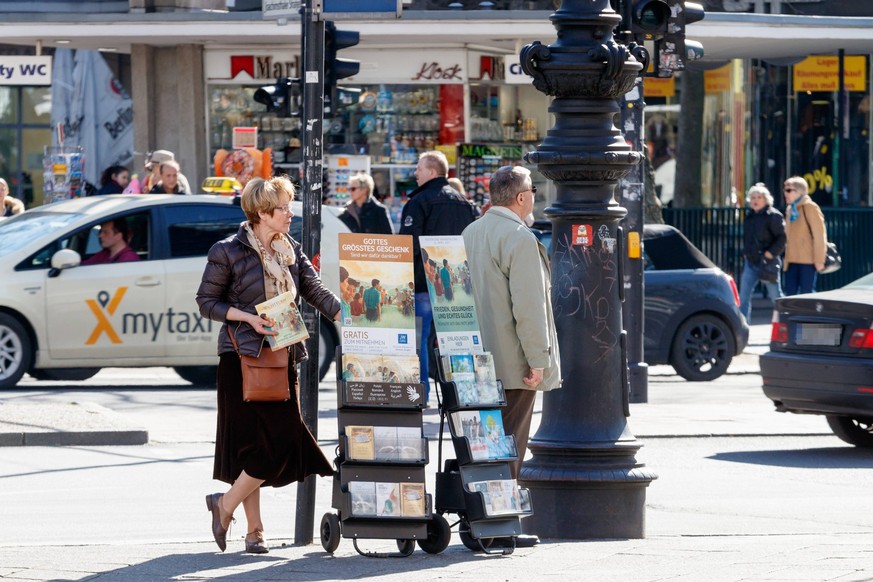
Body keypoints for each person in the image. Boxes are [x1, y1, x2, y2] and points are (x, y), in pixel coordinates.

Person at [196, 176, 341, 555]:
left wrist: (347, 315)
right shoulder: (227, 251)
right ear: (262, 213)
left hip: (282, 355)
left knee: (276, 443)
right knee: (256, 448)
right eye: (283, 208)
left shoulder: (289, 249)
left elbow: (314, 289)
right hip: (241, 359)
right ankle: (249, 526)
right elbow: (206, 302)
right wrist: (247, 318)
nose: (290, 213)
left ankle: (230, 511)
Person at [462, 165, 561, 483]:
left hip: (473, 360)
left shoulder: (470, 233)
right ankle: (502, 523)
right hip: (512, 365)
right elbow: (529, 308)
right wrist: (538, 361)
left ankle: (482, 518)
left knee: (482, 445)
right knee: (510, 444)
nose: (534, 196)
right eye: (532, 191)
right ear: (521, 197)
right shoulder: (520, 239)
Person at [399, 151, 478, 399]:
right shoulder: (465, 203)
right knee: (455, 342)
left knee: (419, 342)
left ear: (432, 172)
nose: (416, 173)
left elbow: (408, 246)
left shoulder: (418, 202)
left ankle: (420, 394)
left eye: (419, 169)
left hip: (423, 285)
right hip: (457, 288)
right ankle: (461, 394)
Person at [738, 183, 786, 321]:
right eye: (753, 197)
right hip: (751, 262)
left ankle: (786, 325)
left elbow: (782, 238)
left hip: (768, 262)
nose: (755, 200)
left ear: (766, 199)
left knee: (775, 297)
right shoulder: (749, 216)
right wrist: (746, 253)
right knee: (743, 297)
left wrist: (771, 253)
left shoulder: (774, 216)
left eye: (759, 197)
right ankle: (742, 330)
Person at [782, 176, 827, 295]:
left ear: (799, 192)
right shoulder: (790, 210)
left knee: (807, 296)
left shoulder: (810, 207)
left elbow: (819, 236)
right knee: (790, 296)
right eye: (785, 190)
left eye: (789, 190)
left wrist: (819, 260)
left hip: (808, 261)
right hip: (791, 260)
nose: (785, 193)